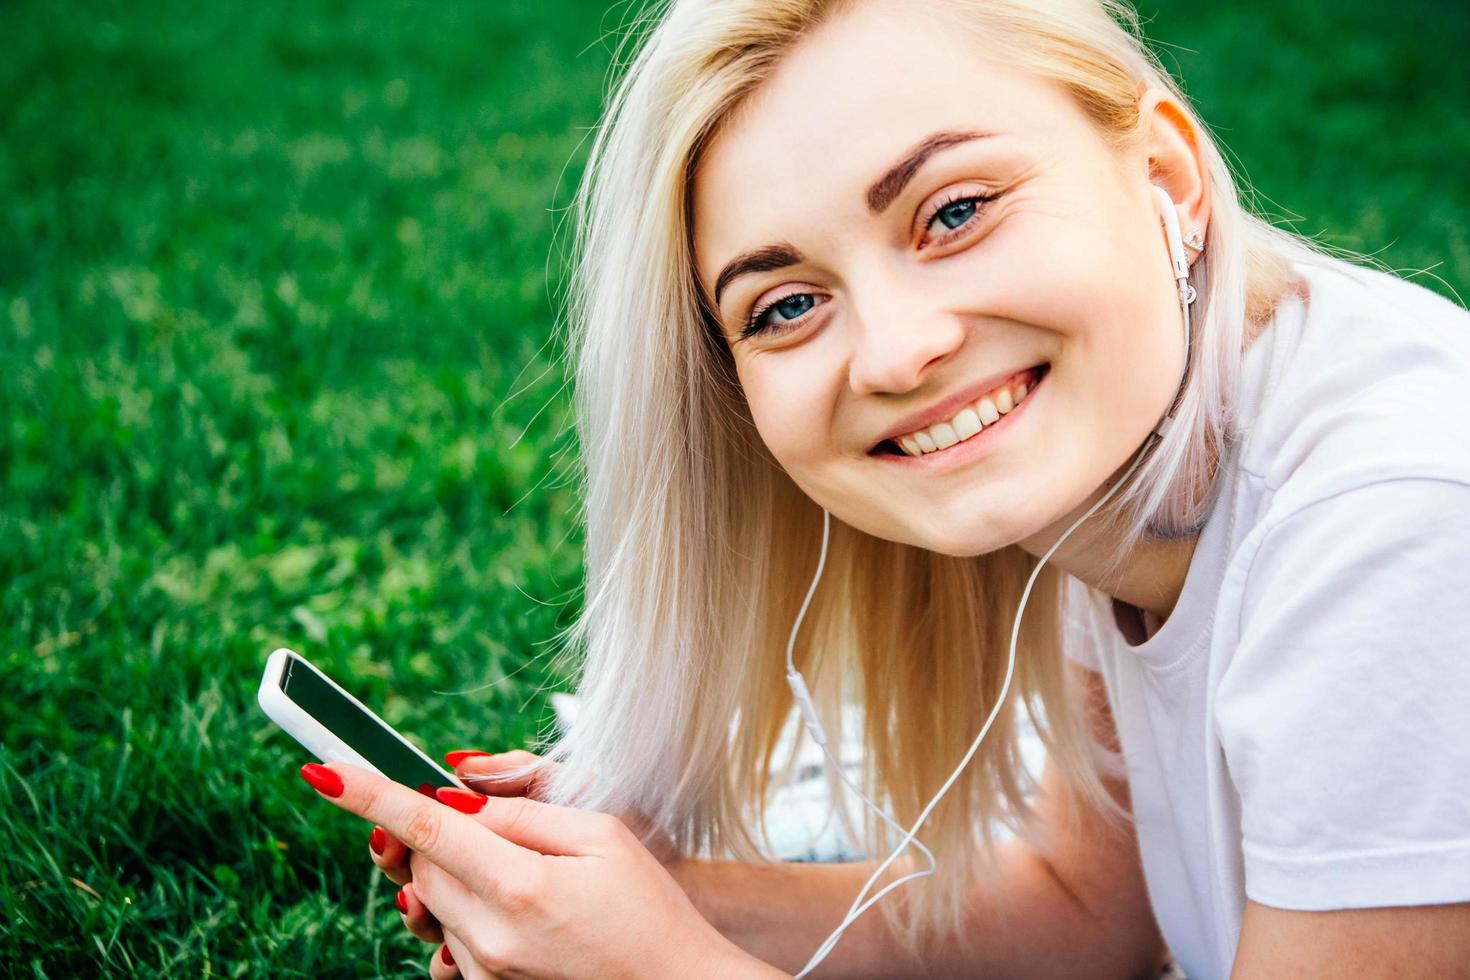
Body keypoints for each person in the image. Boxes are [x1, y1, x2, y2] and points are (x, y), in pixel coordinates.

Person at [293, 0, 1470, 975]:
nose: (898, 352)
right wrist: (655, 894)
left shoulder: (1400, 526)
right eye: (786, 303)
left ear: (1163, 172)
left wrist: (665, 968)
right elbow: (1087, 911)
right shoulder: (1117, 471)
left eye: (954, 211)